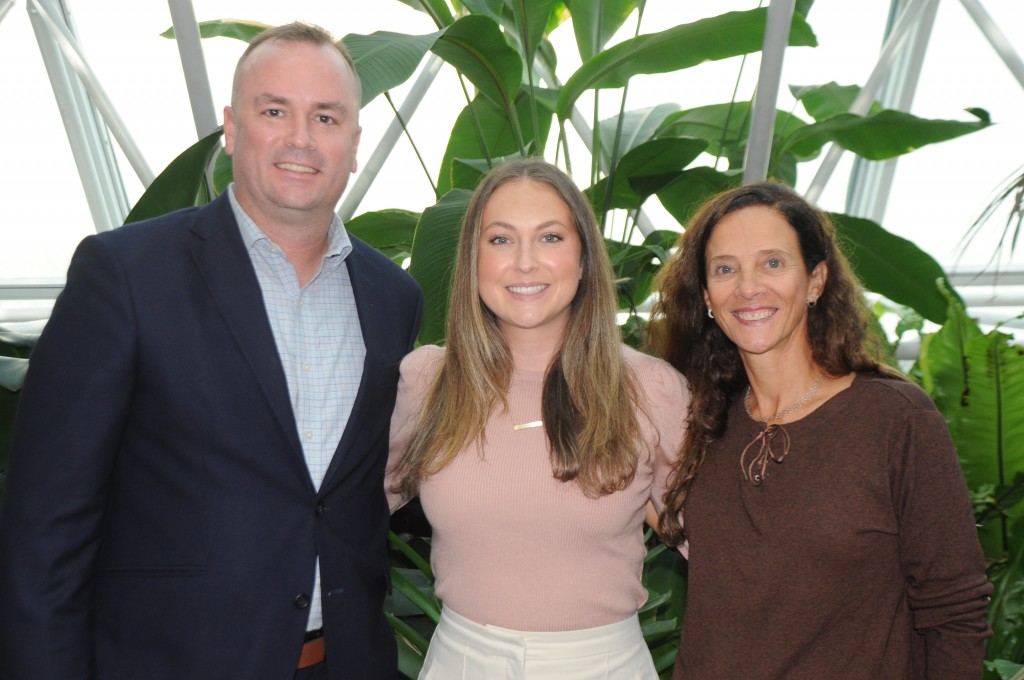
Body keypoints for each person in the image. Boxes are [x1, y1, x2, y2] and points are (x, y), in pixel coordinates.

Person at [0, 22, 422, 680]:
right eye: (274, 110)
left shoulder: (393, 297)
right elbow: (44, 529)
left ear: (355, 143)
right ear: (232, 128)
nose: (301, 139)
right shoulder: (127, 276)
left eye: (327, 117)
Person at [648, 181, 992, 679]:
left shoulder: (893, 420)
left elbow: (955, 611)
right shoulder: (700, 418)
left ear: (815, 280)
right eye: (726, 269)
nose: (748, 287)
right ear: (706, 295)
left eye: (772, 263)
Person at [386, 158, 688, 679]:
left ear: (584, 258)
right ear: (472, 259)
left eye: (550, 238)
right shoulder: (428, 382)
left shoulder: (648, 388)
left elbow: (729, 550)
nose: (525, 263)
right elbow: (335, 513)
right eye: (500, 240)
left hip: (604, 666)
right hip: (462, 663)